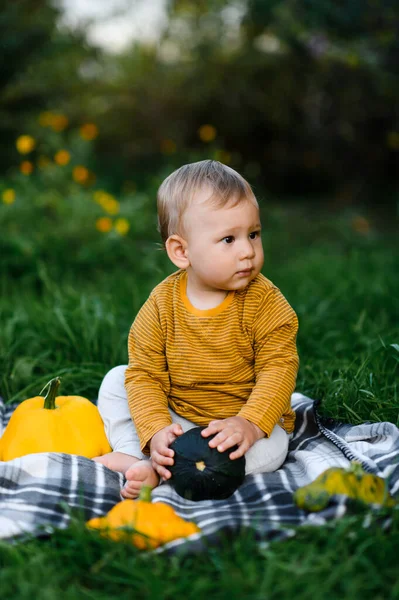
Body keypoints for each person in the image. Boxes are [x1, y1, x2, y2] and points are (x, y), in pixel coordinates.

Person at [93, 159, 299, 499]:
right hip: (179, 419)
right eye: (229, 239)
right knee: (118, 379)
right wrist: (157, 428)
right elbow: (145, 375)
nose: (248, 251)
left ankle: (164, 470)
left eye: (253, 234)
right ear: (181, 251)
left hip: (243, 425)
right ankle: (141, 452)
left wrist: (250, 422)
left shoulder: (266, 303)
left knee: (271, 447)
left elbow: (279, 368)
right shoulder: (161, 305)